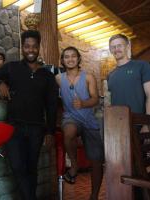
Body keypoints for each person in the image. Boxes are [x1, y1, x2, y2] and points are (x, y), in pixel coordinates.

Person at [0, 30, 58, 200]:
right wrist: (0, 82)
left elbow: (52, 106)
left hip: (36, 128)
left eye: (34, 46)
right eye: (27, 46)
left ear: (38, 48)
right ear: (22, 48)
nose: (30, 50)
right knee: (18, 166)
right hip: (14, 127)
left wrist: (50, 132)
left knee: (31, 168)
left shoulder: (47, 76)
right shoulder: (11, 67)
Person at [55, 46, 104, 200]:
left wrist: (83, 104)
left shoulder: (88, 77)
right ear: (62, 60)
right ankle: (74, 165)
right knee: (68, 132)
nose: (70, 59)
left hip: (89, 119)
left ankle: (94, 195)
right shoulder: (58, 78)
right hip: (70, 117)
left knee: (96, 161)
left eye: (73, 56)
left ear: (78, 59)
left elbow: (95, 98)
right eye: (66, 57)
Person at [108, 34, 150, 132]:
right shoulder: (110, 75)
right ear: (111, 50)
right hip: (117, 125)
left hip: (139, 124)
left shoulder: (142, 66)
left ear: (127, 47)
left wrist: (148, 124)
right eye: (113, 47)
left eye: (120, 45)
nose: (116, 49)